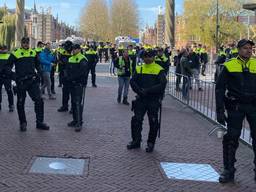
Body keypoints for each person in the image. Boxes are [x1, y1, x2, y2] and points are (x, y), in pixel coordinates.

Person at [216, 39, 256, 183]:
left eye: (250, 48)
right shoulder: (229, 65)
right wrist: (219, 110)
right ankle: (228, 170)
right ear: (238, 49)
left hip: (253, 107)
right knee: (231, 139)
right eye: (245, 48)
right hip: (235, 107)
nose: (248, 50)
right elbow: (219, 88)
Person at [5, 37, 49, 131]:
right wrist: (14, 77)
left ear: (29, 43)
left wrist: (39, 73)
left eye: (27, 43)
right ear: (21, 43)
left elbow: (37, 65)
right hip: (21, 82)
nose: (26, 44)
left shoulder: (33, 52)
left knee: (39, 100)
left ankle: (40, 122)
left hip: (32, 81)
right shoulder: (16, 53)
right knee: (20, 103)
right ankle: (23, 123)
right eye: (24, 43)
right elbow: (7, 66)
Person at [127, 49, 167, 153]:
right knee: (136, 120)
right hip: (141, 99)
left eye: (149, 56)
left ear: (154, 57)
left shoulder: (159, 69)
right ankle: (136, 141)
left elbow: (162, 85)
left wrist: (148, 91)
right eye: (145, 56)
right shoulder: (139, 68)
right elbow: (132, 81)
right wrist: (139, 91)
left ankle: (150, 143)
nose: (147, 58)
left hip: (153, 100)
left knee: (153, 122)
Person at [66, 44, 89, 132]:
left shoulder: (82, 59)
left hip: (79, 84)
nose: (73, 51)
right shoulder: (70, 58)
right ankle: (75, 120)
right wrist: (67, 77)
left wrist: (72, 78)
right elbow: (67, 69)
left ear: (79, 50)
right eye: (73, 49)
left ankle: (79, 122)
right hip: (71, 84)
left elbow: (82, 73)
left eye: (75, 49)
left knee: (78, 103)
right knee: (73, 102)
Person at [57, 40, 73, 112]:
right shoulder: (62, 53)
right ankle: (65, 106)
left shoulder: (74, 54)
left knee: (73, 93)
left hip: (73, 76)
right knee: (65, 92)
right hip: (65, 75)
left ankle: (73, 108)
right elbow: (60, 63)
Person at [0, 45, 14, 112]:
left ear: (7, 49)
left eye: (4, 49)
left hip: (7, 77)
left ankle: (11, 105)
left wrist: (8, 72)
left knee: (9, 91)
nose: (3, 50)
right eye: (2, 49)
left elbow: (11, 65)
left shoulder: (9, 56)